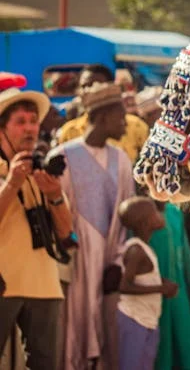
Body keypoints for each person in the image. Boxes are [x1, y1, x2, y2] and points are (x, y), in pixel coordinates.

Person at [55, 82, 136, 370]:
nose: (125, 124)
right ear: (102, 118)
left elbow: (127, 212)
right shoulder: (63, 157)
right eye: (120, 118)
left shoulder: (122, 160)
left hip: (110, 263)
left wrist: (119, 261)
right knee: (72, 325)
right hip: (75, 260)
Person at [0, 88, 72, 370]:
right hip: (3, 283)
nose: (30, 128)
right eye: (20, 122)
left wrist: (54, 196)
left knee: (45, 364)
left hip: (44, 285)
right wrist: (12, 183)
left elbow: (66, 233)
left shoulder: (43, 169)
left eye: (33, 121)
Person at [115, 196, 178, 370]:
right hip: (134, 319)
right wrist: (161, 288)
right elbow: (124, 286)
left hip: (147, 320)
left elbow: (144, 279)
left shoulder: (145, 248)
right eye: (154, 213)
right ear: (145, 223)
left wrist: (162, 284)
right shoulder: (136, 250)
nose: (160, 215)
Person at [148, 200, 190, 370]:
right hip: (154, 296)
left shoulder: (174, 212)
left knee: (185, 343)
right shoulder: (142, 213)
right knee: (162, 349)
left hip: (179, 295)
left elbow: (185, 256)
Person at [57, 65, 150, 162]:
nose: (88, 91)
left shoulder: (137, 127)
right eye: (84, 86)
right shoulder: (69, 131)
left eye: (96, 85)